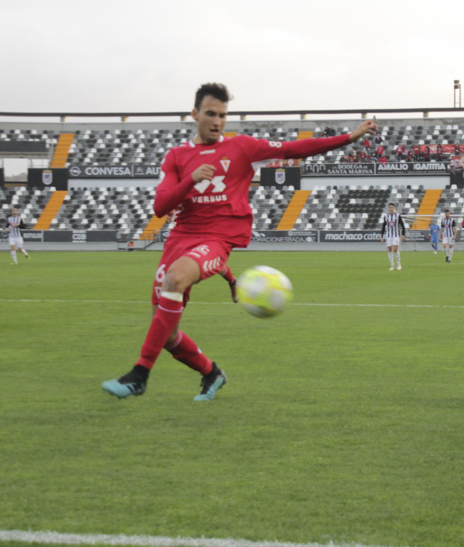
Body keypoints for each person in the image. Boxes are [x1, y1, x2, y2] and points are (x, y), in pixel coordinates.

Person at [103, 83, 379, 401]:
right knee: (165, 333)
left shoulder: (242, 148)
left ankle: (139, 374)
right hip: (180, 239)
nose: (217, 121)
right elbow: (160, 206)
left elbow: (293, 149)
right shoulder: (176, 157)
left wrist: (349, 137)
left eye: (222, 115)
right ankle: (211, 374)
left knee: (175, 278)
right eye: (210, 114)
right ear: (194, 114)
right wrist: (190, 180)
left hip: (219, 237)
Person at [381, 203, 406, 270]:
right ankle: (392, 265)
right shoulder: (386, 216)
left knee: (395, 249)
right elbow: (383, 226)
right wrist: (382, 236)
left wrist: (403, 234)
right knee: (389, 250)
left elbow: (403, 226)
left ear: (394, 208)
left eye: (392, 207)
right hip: (388, 236)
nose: (391, 208)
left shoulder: (398, 216)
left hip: (396, 235)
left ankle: (398, 264)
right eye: (390, 207)